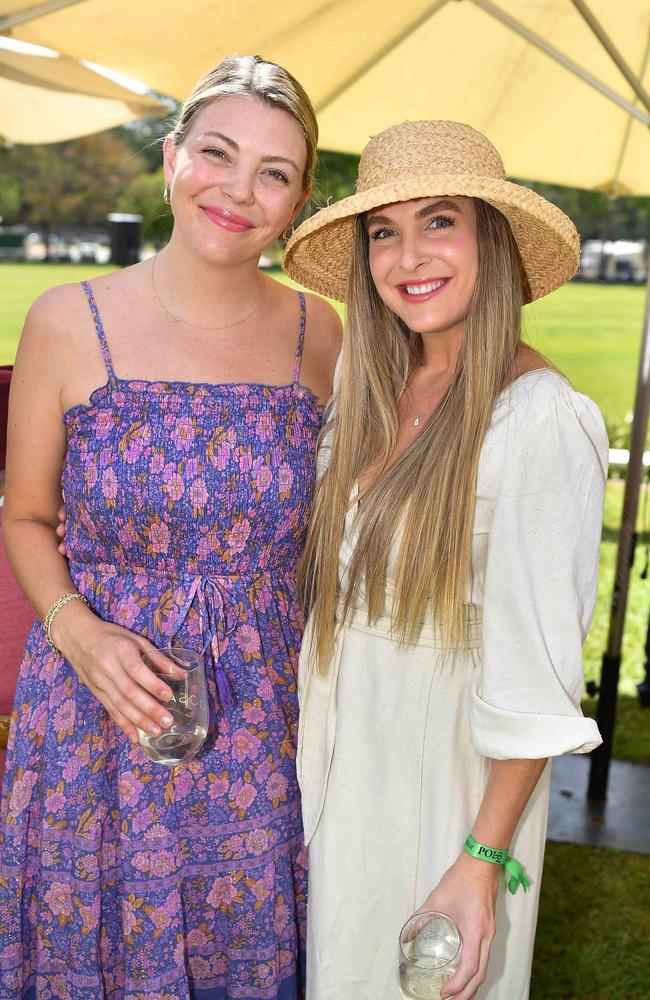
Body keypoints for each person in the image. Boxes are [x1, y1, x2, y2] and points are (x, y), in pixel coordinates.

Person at [0, 55, 341, 999]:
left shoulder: (329, 338)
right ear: (170, 158)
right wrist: (80, 631)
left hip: (268, 727)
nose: (238, 190)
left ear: (301, 197)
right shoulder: (65, 321)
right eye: (216, 153)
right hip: (95, 714)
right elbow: (26, 515)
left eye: (274, 172)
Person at [283, 120, 607, 1000]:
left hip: (447, 795)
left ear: (490, 242)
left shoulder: (540, 421)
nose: (408, 256)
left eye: (440, 222)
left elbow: (537, 684)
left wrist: (480, 860)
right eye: (384, 232)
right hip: (341, 775)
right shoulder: (369, 387)